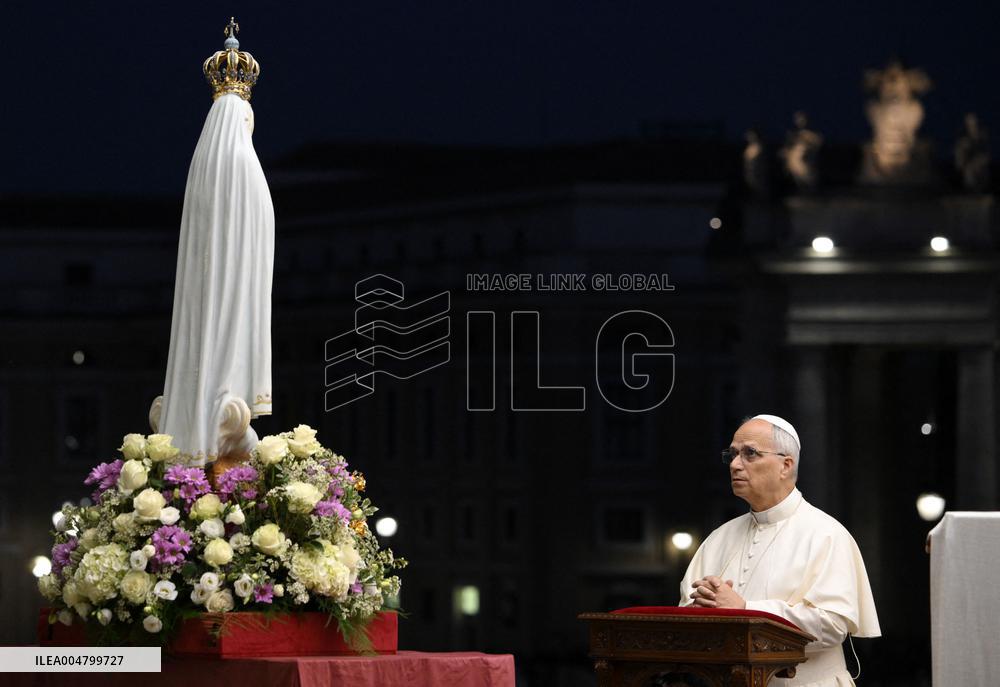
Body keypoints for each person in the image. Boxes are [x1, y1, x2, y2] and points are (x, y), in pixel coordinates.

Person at [679, 415, 880, 686]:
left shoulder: (826, 534)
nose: (736, 465)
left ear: (786, 465)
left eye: (750, 454)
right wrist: (699, 606)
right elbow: (685, 619)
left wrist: (746, 609)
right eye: (733, 454)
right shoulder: (719, 538)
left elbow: (833, 625)